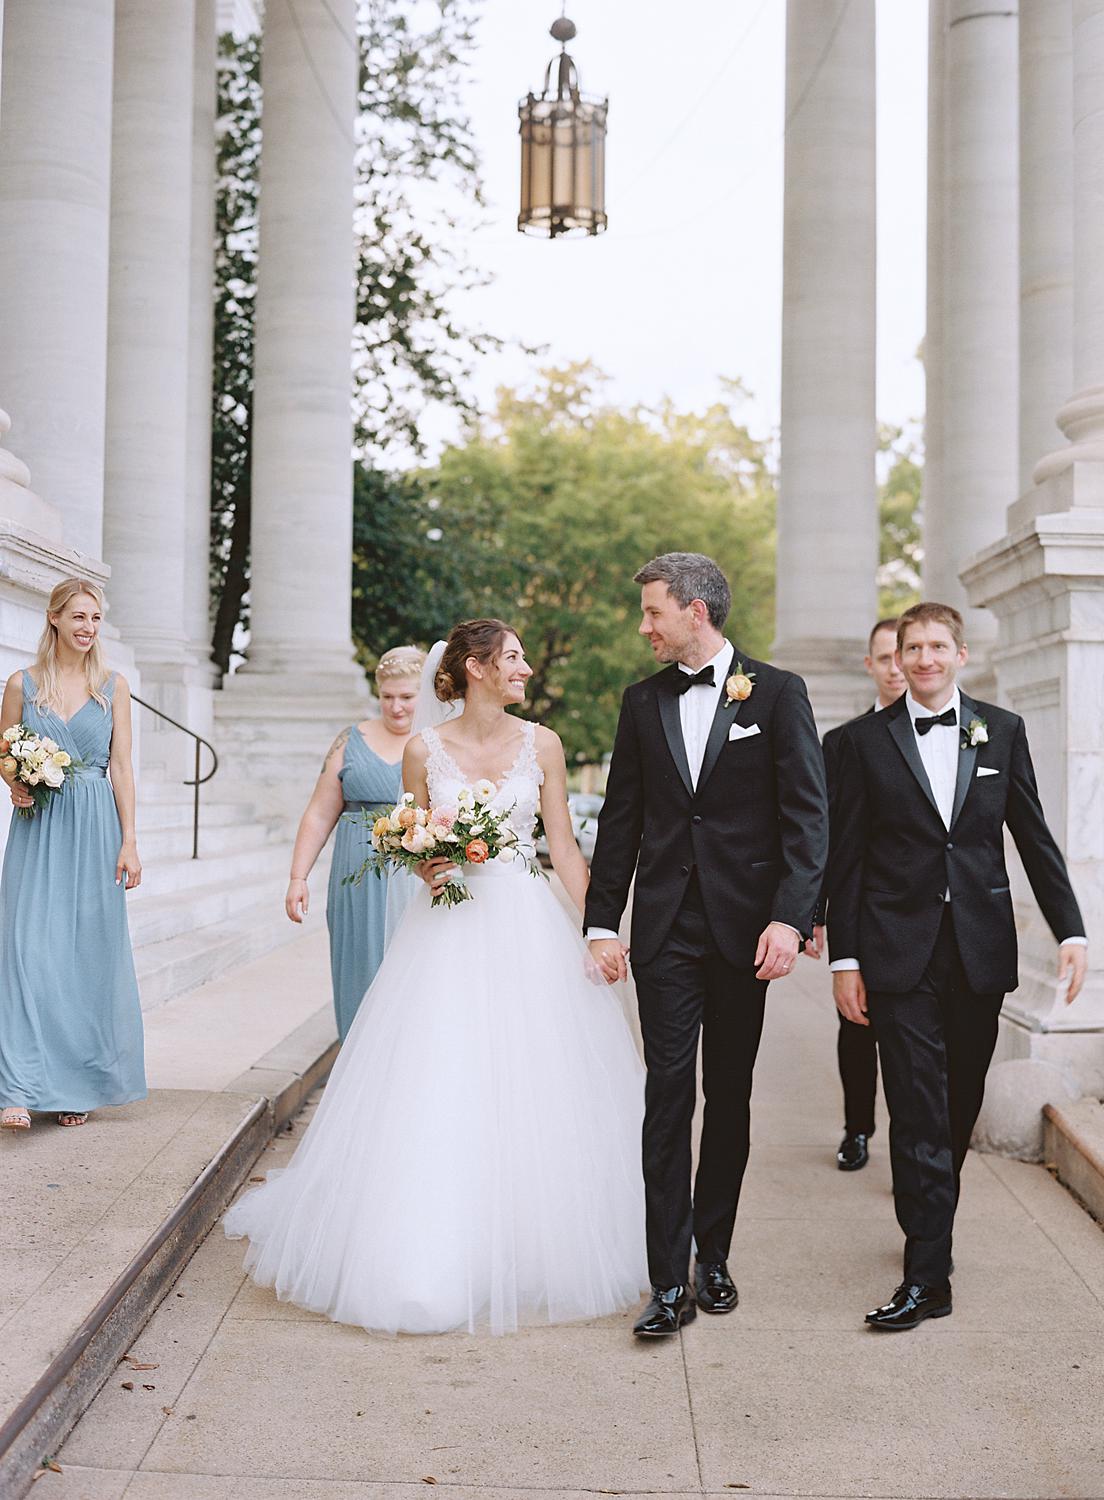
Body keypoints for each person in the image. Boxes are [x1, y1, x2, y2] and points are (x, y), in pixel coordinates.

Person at [225, 620, 647, 1334]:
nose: (524, 669)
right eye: (513, 658)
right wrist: (426, 859)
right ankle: (423, 1252)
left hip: (523, 922)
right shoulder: (421, 751)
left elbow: (566, 850)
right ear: (477, 668)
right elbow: (413, 838)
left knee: (532, 1078)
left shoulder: (542, 745)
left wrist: (600, 928)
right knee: (439, 1076)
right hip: (445, 929)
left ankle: (530, 1244)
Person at [585, 553, 828, 1338]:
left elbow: (807, 820)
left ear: (696, 611)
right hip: (663, 931)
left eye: (653, 611)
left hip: (744, 932)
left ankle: (712, 1255)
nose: (644, 626)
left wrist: (791, 919)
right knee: (666, 1092)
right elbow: (621, 819)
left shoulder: (780, 694)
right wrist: (600, 921)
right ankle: (665, 1280)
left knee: (729, 1094)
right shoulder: (640, 700)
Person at [827, 601, 1088, 1331]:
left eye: (938, 645)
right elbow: (844, 859)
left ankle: (926, 1211)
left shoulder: (1000, 730)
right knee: (913, 1106)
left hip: (978, 951)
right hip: (894, 950)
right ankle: (927, 1276)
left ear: (961, 654)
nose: (925, 658)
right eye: (913, 647)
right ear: (898, 659)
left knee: (956, 1106)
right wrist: (845, 958)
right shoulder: (860, 744)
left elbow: (1034, 838)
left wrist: (1072, 930)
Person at [0, 578, 145, 1132]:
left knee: (85, 954)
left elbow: (123, 767)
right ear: (54, 618)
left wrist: (129, 840)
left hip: (95, 827)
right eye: (79, 617)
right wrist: (14, 778)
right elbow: (4, 748)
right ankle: (16, 1086)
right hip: (38, 828)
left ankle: (75, 1083)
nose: (88, 628)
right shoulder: (22, 683)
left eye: (96, 619)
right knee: (26, 949)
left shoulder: (114, 686)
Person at [285, 645, 424, 1042]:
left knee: (409, 972)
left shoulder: (436, 742)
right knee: (357, 968)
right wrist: (298, 877)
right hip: (355, 877)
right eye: (388, 697)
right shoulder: (350, 739)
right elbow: (318, 812)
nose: (396, 707)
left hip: (413, 876)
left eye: (407, 697)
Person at [808, 618, 905, 1172]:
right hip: (861, 908)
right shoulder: (842, 742)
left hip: (920, 911)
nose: (896, 667)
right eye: (885, 657)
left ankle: (915, 1149)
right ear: (870, 665)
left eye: (902, 654)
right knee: (858, 1023)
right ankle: (858, 1128)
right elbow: (829, 832)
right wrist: (816, 910)